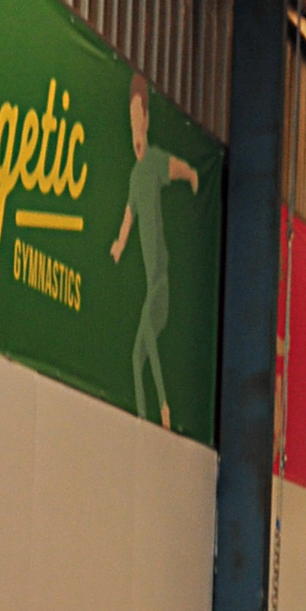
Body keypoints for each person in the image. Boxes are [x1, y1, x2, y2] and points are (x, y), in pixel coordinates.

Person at [111, 69, 200, 431]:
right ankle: (143, 420)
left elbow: (177, 168)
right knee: (136, 357)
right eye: (131, 122)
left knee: (147, 334)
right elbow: (128, 217)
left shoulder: (155, 161)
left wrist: (192, 175)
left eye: (140, 119)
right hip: (151, 282)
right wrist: (119, 245)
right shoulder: (134, 177)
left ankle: (164, 408)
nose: (136, 128)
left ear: (147, 121)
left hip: (160, 279)